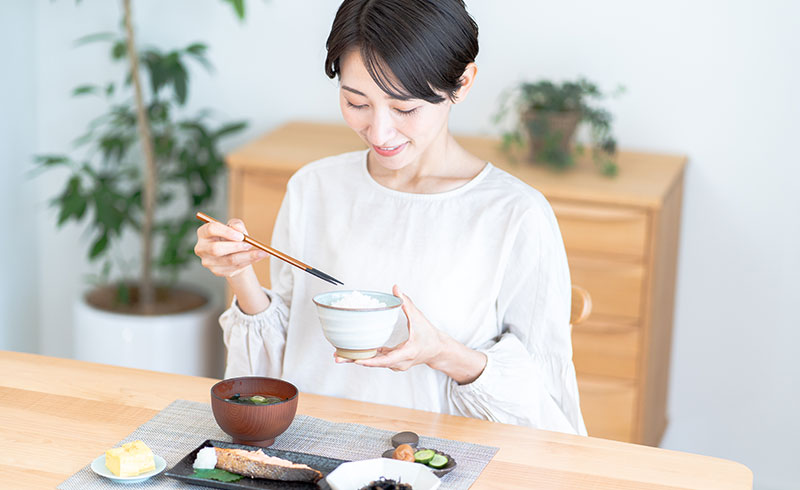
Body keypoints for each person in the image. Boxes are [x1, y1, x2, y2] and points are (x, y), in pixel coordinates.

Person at [195, 0, 586, 435]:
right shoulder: (315, 187)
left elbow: (544, 404)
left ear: (464, 81)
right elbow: (277, 364)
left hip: (438, 466)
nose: (379, 133)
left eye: (405, 109)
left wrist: (440, 351)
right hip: (309, 452)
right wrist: (239, 275)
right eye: (356, 102)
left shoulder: (513, 214)